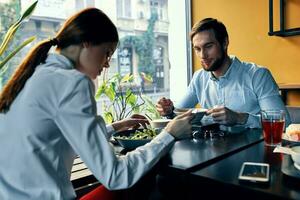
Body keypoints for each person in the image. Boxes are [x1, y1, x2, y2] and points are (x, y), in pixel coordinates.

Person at [0, 8, 193, 200]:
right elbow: (116, 175)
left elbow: (58, 134)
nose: (107, 63)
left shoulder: (33, 74)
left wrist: (118, 126)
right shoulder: (72, 82)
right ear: (87, 43)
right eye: (107, 53)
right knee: (146, 182)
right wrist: (169, 134)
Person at [156, 18, 291, 129]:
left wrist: (240, 118)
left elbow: (285, 124)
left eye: (208, 46)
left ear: (225, 42)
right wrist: (168, 110)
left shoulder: (258, 75)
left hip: (254, 155)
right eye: (197, 49)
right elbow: (178, 112)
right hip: (212, 153)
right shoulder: (199, 78)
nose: (202, 55)